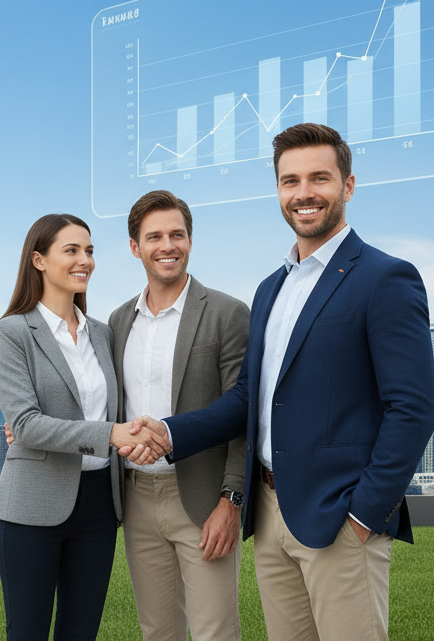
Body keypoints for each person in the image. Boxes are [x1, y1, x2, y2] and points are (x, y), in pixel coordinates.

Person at [126, 123, 434, 641]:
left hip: (340, 518)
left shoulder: (384, 278)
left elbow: (413, 408)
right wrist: (169, 431)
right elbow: (249, 398)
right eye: (290, 181)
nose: (304, 193)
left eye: (320, 178)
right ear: (277, 191)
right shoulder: (271, 288)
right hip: (271, 515)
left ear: (349, 185)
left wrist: (363, 514)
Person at [0, 213, 147, 641]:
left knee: (81, 633)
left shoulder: (103, 333)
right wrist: (108, 434)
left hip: (98, 505)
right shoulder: (10, 333)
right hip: (32, 506)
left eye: (90, 251)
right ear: (38, 260)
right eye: (72, 250)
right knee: (27, 633)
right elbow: (24, 424)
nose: (86, 261)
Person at [110, 190, 249, 641]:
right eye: (155, 237)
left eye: (177, 234)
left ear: (190, 240)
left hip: (204, 498)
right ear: (135, 247)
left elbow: (242, 412)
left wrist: (231, 502)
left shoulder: (227, 314)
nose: (167, 245)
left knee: (215, 632)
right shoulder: (116, 323)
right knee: (157, 632)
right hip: (136, 499)